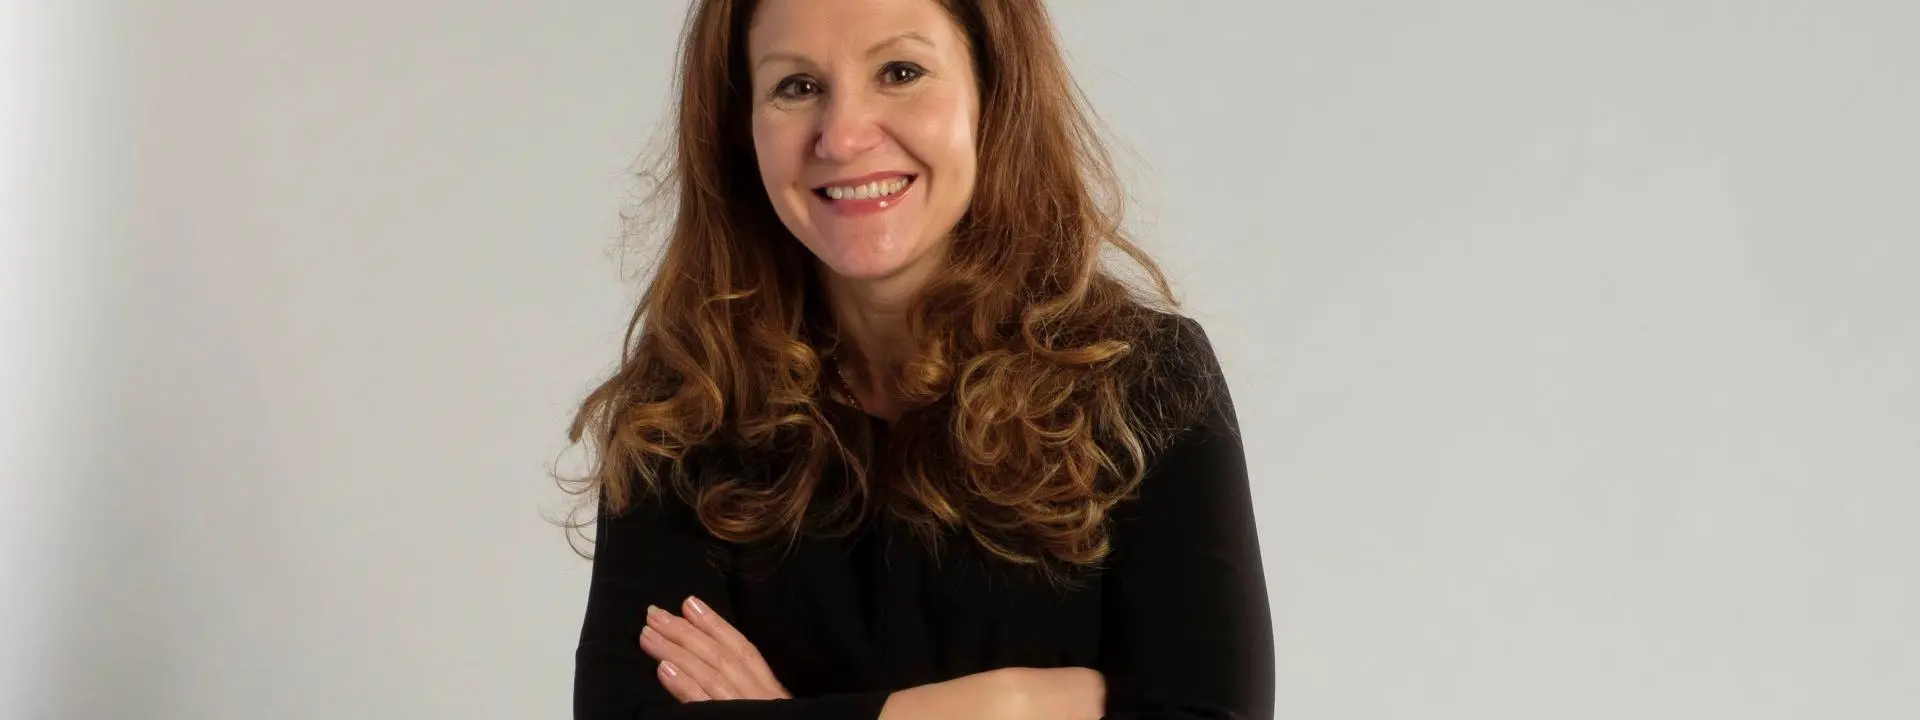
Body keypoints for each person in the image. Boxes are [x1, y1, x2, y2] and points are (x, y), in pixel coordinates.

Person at [564, 0, 1273, 717]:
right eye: (796, 86)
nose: (841, 137)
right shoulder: (682, 412)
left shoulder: (1144, 378)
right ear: (739, 127)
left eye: (900, 72)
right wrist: (1012, 704)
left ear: (993, 95)